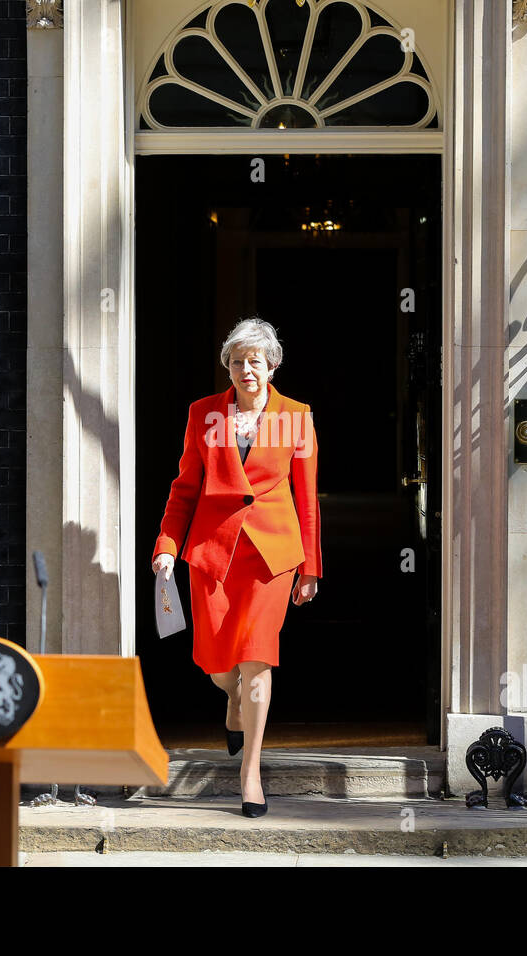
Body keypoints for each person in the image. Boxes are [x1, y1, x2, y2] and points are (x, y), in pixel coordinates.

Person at [151, 316, 322, 818]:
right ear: (226, 366)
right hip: (213, 550)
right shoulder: (202, 413)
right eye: (237, 361)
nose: (247, 370)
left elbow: (307, 499)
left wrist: (311, 566)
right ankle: (230, 701)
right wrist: (166, 543)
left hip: (272, 557)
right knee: (219, 664)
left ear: (272, 364)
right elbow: (184, 488)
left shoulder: (297, 416)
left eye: (256, 361)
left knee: (257, 660)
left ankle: (250, 773)